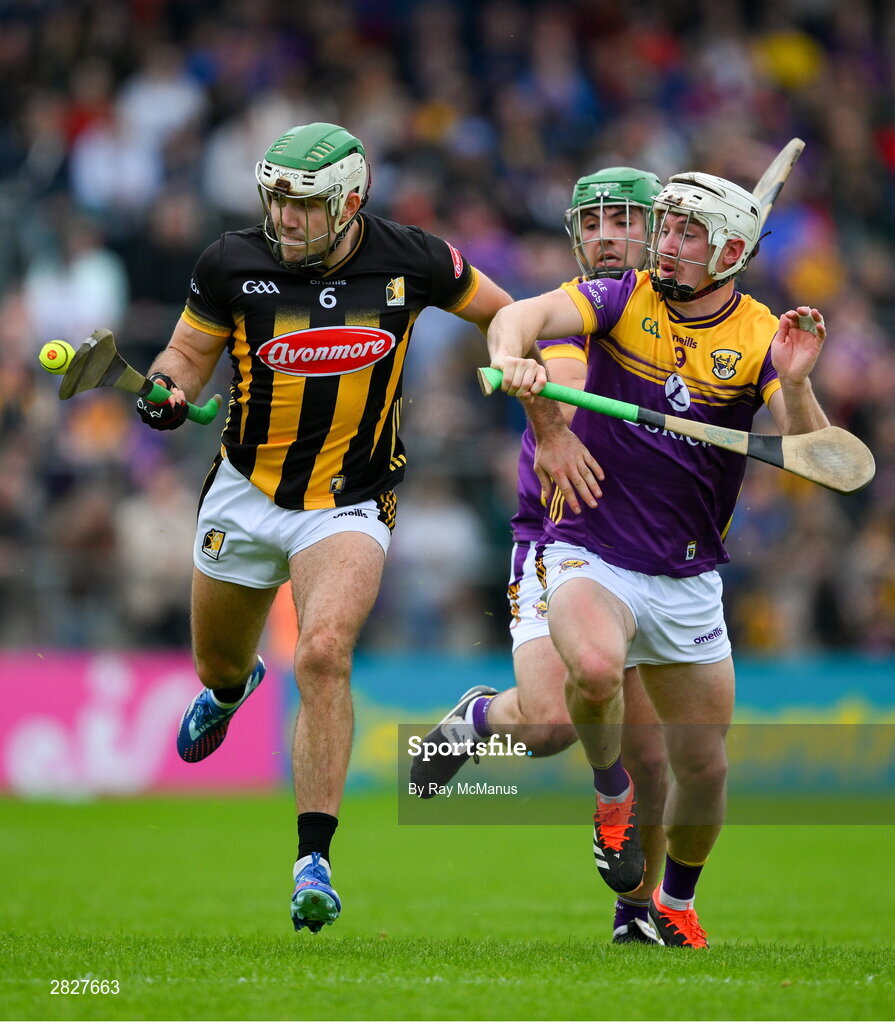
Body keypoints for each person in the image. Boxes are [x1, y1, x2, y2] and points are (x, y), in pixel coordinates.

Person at [135, 122, 512, 933]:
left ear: (347, 203)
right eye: (275, 201)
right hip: (245, 491)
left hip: (350, 496)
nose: (284, 219)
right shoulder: (230, 261)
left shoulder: (413, 257)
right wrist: (164, 390)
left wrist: (517, 369)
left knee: (322, 649)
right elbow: (184, 355)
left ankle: (314, 858)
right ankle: (233, 690)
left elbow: (502, 313)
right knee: (218, 661)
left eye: (302, 205)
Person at [486, 170, 830, 947]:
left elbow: (814, 460)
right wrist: (514, 357)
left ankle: (674, 899)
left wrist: (798, 384)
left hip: (685, 577)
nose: (662, 247)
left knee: (701, 771)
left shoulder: (757, 336)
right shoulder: (620, 297)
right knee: (596, 674)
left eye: (684, 236)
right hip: (587, 549)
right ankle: (610, 800)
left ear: (731, 252)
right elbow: (521, 315)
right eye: (663, 230)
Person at [410, 167, 669, 944]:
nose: (604, 235)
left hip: (655, 548)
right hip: (565, 537)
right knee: (554, 725)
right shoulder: (572, 312)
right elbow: (551, 363)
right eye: (591, 223)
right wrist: (540, 395)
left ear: (655, 233)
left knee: (653, 759)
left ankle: (637, 912)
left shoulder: (683, 320)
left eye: (622, 220)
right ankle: (482, 717)